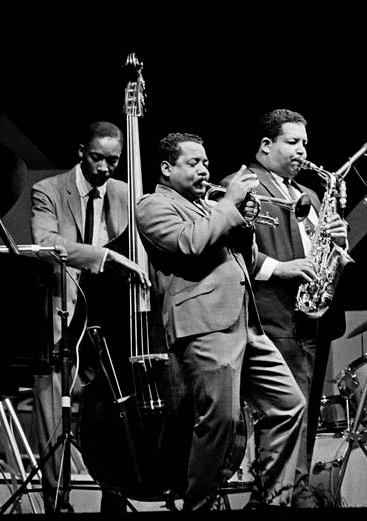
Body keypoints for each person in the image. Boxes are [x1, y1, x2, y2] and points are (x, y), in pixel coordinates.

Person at [135, 132, 306, 511]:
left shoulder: (209, 205)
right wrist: (228, 204)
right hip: (205, 324)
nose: (203, 170)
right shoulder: (152, 206)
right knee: (222, 422)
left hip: (247, 322)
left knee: (289, 405)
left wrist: (244, 224)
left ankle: (269, 500)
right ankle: (200, 505)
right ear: (166, 168)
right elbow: (189, 244)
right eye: (193, 163)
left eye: (206, 163)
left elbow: (245, 257)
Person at [225, 108, 348, 504]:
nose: (302, 151)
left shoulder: (308, 195)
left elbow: (318, 250)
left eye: (305, 144)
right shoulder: (241, 186)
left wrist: (336, 241)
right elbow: (233, 253)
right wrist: (281, 268)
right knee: (281, 418)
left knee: (306, 417)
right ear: (266, 146)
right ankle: (275, 497)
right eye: (292, 142)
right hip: (270, 317)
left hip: (310, 319)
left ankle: (297, 492)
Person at [30, 120, 149, 513]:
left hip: (113, 321)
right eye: (97, 158)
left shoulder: (127, 193)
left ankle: (114, 499)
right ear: (82, 150)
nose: (104, 168)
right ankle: (56, 504)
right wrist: (104, 256)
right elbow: (46, 243)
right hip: (62, 318)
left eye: (113, 161)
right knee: (52, 419)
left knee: (115, 414)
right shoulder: (48, 190)